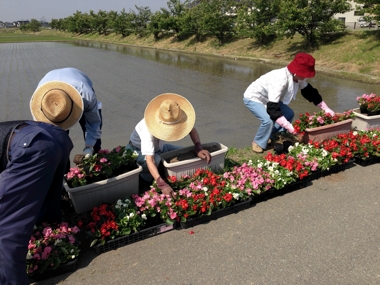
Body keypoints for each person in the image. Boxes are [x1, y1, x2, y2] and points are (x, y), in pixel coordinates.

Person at [0, 83, 82, 284]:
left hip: (32, 149)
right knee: (48, 199)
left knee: (7, 229)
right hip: (55, 139)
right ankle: (51, 228)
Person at [243, 52, 335, 153]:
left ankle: (273, 135)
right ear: (296, 72)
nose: (304, 77)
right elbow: (272, 108)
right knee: (268, 120)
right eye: (303, 74)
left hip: (268, 98)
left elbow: (309, 92)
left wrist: (325, 107)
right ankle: (258, 142)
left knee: (289, 113)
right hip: (254, 97)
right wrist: (288, 126)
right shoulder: (280, 79)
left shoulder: (297, 77)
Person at [126, 93, 212, 197]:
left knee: (185, 152)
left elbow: (191, 130)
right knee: (156, 159)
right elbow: (150, 160)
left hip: (160, 148)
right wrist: (161, 184)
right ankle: (145, 179)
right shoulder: (147, 129)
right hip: (136, 150)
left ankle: (164, 170)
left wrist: (198, 147)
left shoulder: (177, 116)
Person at [34, 67, 102, 158]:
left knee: (94, 142)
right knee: (59, 144)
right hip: (48, 84)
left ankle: (96, 157)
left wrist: (89, 146)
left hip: (79, 86)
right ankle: (64, 166)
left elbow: (94, 123)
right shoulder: (41, 103)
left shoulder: (87, 96)